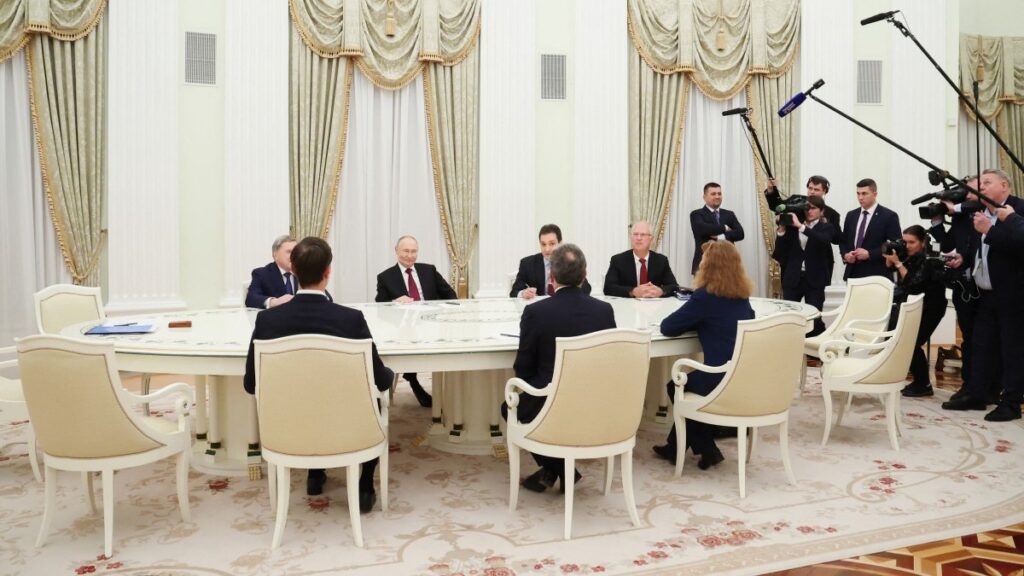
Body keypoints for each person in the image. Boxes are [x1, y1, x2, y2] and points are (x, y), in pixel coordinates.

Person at [242, 237, 394, 509]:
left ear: (294, 271)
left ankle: (314, 473)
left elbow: (251, 384)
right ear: (328, 271)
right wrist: (390, 375)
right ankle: (364, 484)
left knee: (307, 399)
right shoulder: (350, 319)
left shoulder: (267, 321)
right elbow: (380, 379)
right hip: (345, 424)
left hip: (289, 427)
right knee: (372, 400)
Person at [502, 243, 616, 493]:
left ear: (551, 277)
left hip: (550, 402)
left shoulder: (536, 312)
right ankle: (559, 471)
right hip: (594, 402)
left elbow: (523, 369)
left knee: (509, 406)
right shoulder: (604, 311)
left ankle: (561, 470)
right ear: (584, 275)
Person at [652, 241, 755, 471]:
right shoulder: (742, 297)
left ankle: (708, 449)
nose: (700, 263)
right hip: (741, 375)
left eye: (703, 260)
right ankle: (674, 447)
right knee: (685, 386)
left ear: (709, 266)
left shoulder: (705, 297)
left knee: (675, 386)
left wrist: (698, 321)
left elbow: (668, 327)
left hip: (719, 377)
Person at [942, 169, 1024, 421]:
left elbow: (1020, 245)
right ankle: (976, 394)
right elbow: (981, 252)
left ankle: (1011, 402)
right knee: (980, 345)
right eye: (980, 185)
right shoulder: (980, 213)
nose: (981, 188)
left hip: (1013, 293)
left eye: (987, 183)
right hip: (985, 294)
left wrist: (990, 230)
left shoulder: (1019, 209)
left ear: (1004, 185)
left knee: (1012, 349)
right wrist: (963, 258)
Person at [375, 235, 458, 407]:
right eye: (406, 251)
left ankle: (447, 391)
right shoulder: (385, 277)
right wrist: (394, 302)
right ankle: (413, 380)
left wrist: (439, 311)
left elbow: (450, 295)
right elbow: (380, 307)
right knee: (407, 336)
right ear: (396, 251)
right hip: (402, 328)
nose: (410, 256)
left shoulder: (429, 270)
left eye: (414, 251)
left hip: (432, 325)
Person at [927, 177, 990, 402]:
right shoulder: (961, 217)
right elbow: (947, 244)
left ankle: (991, 386)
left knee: (986, 338)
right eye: (969, 190)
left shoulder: (984, 209)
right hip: (964, 285)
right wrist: (937, 220)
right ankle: (969, 385)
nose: (972, 194)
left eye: (976, 189)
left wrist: (954, 207)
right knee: (969, 337)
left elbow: (978, 203)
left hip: (987, 286)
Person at [882, 225, 948, 397]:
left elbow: (914, 283)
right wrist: (891, 260)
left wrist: (898, 263)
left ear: (923, 242)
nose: (907, 246)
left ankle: (923, 383)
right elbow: (892, 270)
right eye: (904, 242)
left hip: (931, 307)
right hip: (914, 305)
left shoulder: (931, 259)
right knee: (907, 341)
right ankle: (920, 382)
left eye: (912, 242)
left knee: (912, 342)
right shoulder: (909, 255)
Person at [771, 195, 836, 336]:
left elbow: (823, 240)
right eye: (806, 208)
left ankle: (814, 346)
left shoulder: (826, 227)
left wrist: (801, 227)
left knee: (814, 319)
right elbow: (779, 254)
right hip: (793, 278)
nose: (809, 211)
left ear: (821, 211)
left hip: (815, 280)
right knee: (789, 318)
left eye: (813, 208)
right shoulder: (792, 228)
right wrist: (781, 232)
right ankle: (793, 346)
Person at [766, 175, 843, 283]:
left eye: (816, 189)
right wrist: (771, 190)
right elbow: (777, 206)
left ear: (824, 191)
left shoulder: (831, 214)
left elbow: (837, 239)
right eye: (810, 188)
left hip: (818, 265)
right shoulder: (796, 200)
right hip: (792, 263)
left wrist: (825, 226)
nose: (812, 192)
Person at [839, 178, 901, 280]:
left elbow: (896, 245)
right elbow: (843, 240)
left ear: (875, 194)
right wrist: (845, 255)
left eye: (864, 193)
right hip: (853, 273)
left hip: (877, 274)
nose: (860, 197)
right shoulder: (851, 215)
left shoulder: (889, 216)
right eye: (858, 194)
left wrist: (869, 254)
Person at [510, 224, 591, 298]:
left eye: (552, 244)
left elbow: (586, 290)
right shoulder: (527, 263)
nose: (547, 249)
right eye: (543, 244)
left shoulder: (569, 261)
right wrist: (523, 293)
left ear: (560, 243)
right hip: (539, 307)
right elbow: (514, 292)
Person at [603, 220, 679, 298]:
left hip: (654, 304)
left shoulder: (661, 260)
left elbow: (674, 286)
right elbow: (608, 288)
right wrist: (633, 291)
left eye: (643, 235)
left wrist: (661, 291)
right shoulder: (618, 260)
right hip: (628, 304)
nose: (638, 238)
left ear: (651, 239)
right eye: (635, 234)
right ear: (631, 238)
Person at [690, 182, 745, 275]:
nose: (717, 196)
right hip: (704, 265)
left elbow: (740, 233)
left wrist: (721, 237)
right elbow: (703, 229)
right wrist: (725, 227)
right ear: (704, 197)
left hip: (728, 265)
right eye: (713, 194)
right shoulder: (696, 214)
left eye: (719, 194)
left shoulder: (729, 214)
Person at [245, 235, 298, 309]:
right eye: (289, 252)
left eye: (296, 252)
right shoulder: (262, 274)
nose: (294, 256)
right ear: (275, 255)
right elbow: (251, 299)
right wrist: (273, 302)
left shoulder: (303, 273)